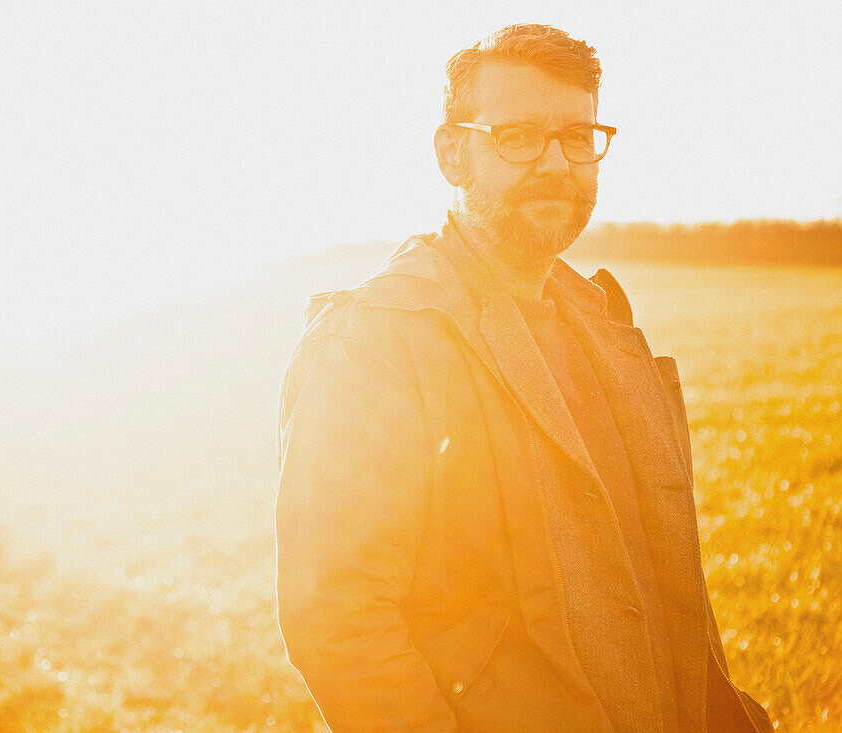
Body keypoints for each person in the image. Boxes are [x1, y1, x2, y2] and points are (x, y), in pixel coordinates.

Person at [275, 24, 771, 732]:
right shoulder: (378, 341)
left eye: (577, 136)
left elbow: (669, 599)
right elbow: (338, 616)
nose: (556, 162)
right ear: (452, 152)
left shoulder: (608, 326)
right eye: (517, 136)